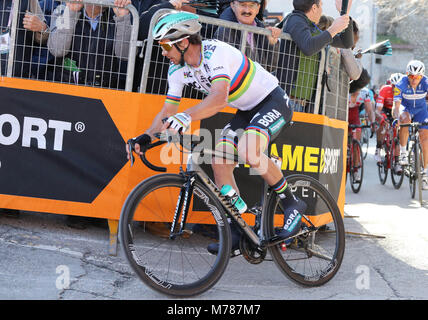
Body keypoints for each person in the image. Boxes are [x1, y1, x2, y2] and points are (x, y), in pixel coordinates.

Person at [127, 11, 307, 254]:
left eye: (165, 45)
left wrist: (187, 115)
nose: (163, 52)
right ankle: (236, 230)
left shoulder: (215, 53)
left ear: (183, 42)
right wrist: (147, 136)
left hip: (272, 101)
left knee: (248, 150)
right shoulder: (176, 70)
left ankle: (291, 202)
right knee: (219, 161)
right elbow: (167, 111)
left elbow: (219, 98)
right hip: (246, 110)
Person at [276, 0, 354, 112]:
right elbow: (308, 47)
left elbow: (345, 43)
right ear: (314, 8)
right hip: (290, 100)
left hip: (304, 103)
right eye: (321, 6)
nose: (322, 10)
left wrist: (344, 13)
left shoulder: (310, 25)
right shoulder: (295, 19)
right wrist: (333, 29)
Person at [47, 0, 131, 89]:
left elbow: (125, 55)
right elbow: (57, 50)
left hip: (106, 90)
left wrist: (122, 19)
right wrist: (71, 12)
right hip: (68, 87)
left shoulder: (122, 12)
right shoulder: (62, 10)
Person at [214, 0, 281, 72]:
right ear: (233, 6)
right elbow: (226, 67)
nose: (247, 10)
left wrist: (272, 44)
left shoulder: (262, 30)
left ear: (258, 8)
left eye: (251, 5)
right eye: (242, 5)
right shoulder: (225, 31)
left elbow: (271, 68)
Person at [393, 60, 428, 189]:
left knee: (425, 138)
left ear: (422, 76)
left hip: (421, 110)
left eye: (417, 77)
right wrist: (398, 118)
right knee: (405, 121)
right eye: (411, 76)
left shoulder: (426, 82)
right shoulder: (401, 83)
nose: (414, 80)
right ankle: (403, 152)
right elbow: (397, 107)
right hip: (405, 108)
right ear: (407, 75)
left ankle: (425, 173)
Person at [375, 72, 403, 172]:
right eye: (393, 86)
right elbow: (378, 110)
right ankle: (378, 149)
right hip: (385, 109)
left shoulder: (403, 91)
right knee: (383, 123)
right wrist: (382, 118)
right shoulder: (385, 89)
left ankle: (397, 162)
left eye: (397, 86)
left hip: (397, 110)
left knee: (397, 137)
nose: (395, 88)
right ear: (390, 84)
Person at [348, 86, 375, 181]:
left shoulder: (365, 92)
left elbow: (370, 110)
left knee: (356, 141)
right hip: (344, 112)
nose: (357, 93)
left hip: (355, 114)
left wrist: (372, 122)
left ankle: (355, 171)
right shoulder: (346, 89)